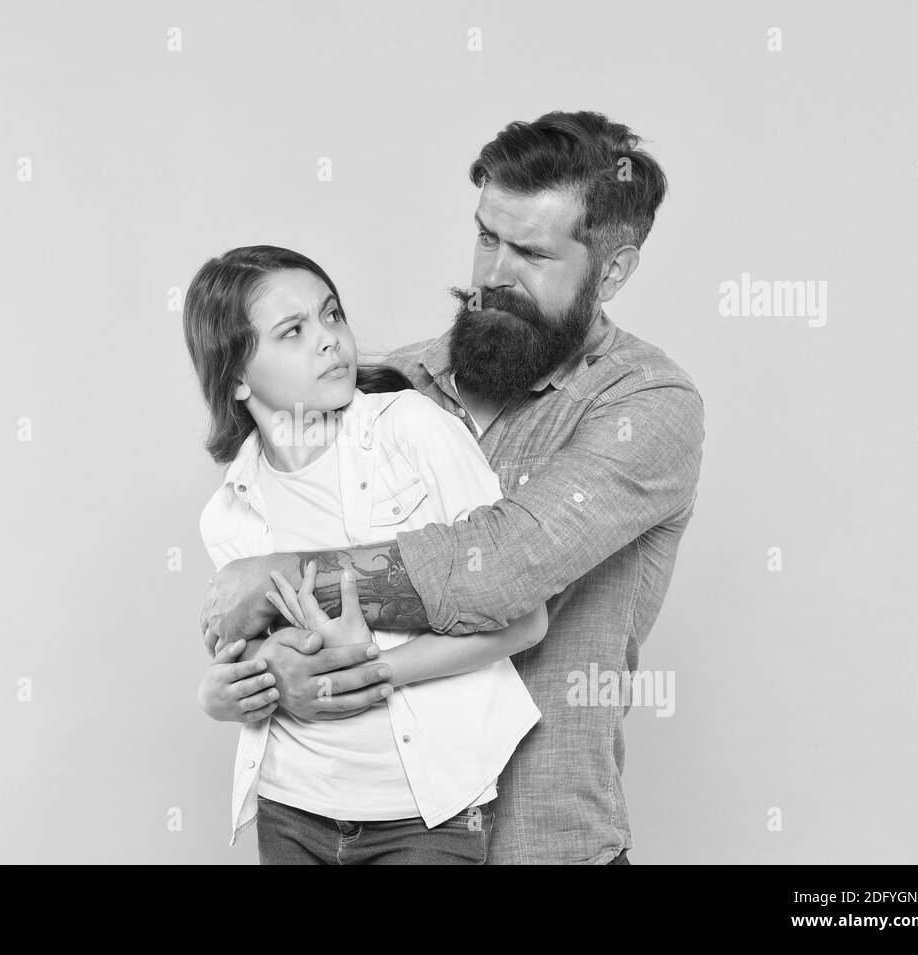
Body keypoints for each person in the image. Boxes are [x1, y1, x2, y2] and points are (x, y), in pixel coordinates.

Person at [200, 110, 706, 865]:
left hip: (546, 847)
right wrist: (267, 678)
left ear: (613, 271)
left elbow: (499, 564)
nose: (493, 275)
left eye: (531, 251)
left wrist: (280, 578)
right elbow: (266, 576)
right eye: (485, 237)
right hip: (360, 835)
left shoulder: (645, 405)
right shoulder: (384, 388)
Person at [183, 245, 548, 864]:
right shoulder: (230, 512)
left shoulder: (412, 431)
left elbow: (523, 619)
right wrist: (220, 693)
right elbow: (253, 655)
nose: (328, 339)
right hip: (289, 807)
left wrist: (373, 664)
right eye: (293, 332)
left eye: (332, 315)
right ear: (237, 377)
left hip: (423, 814)